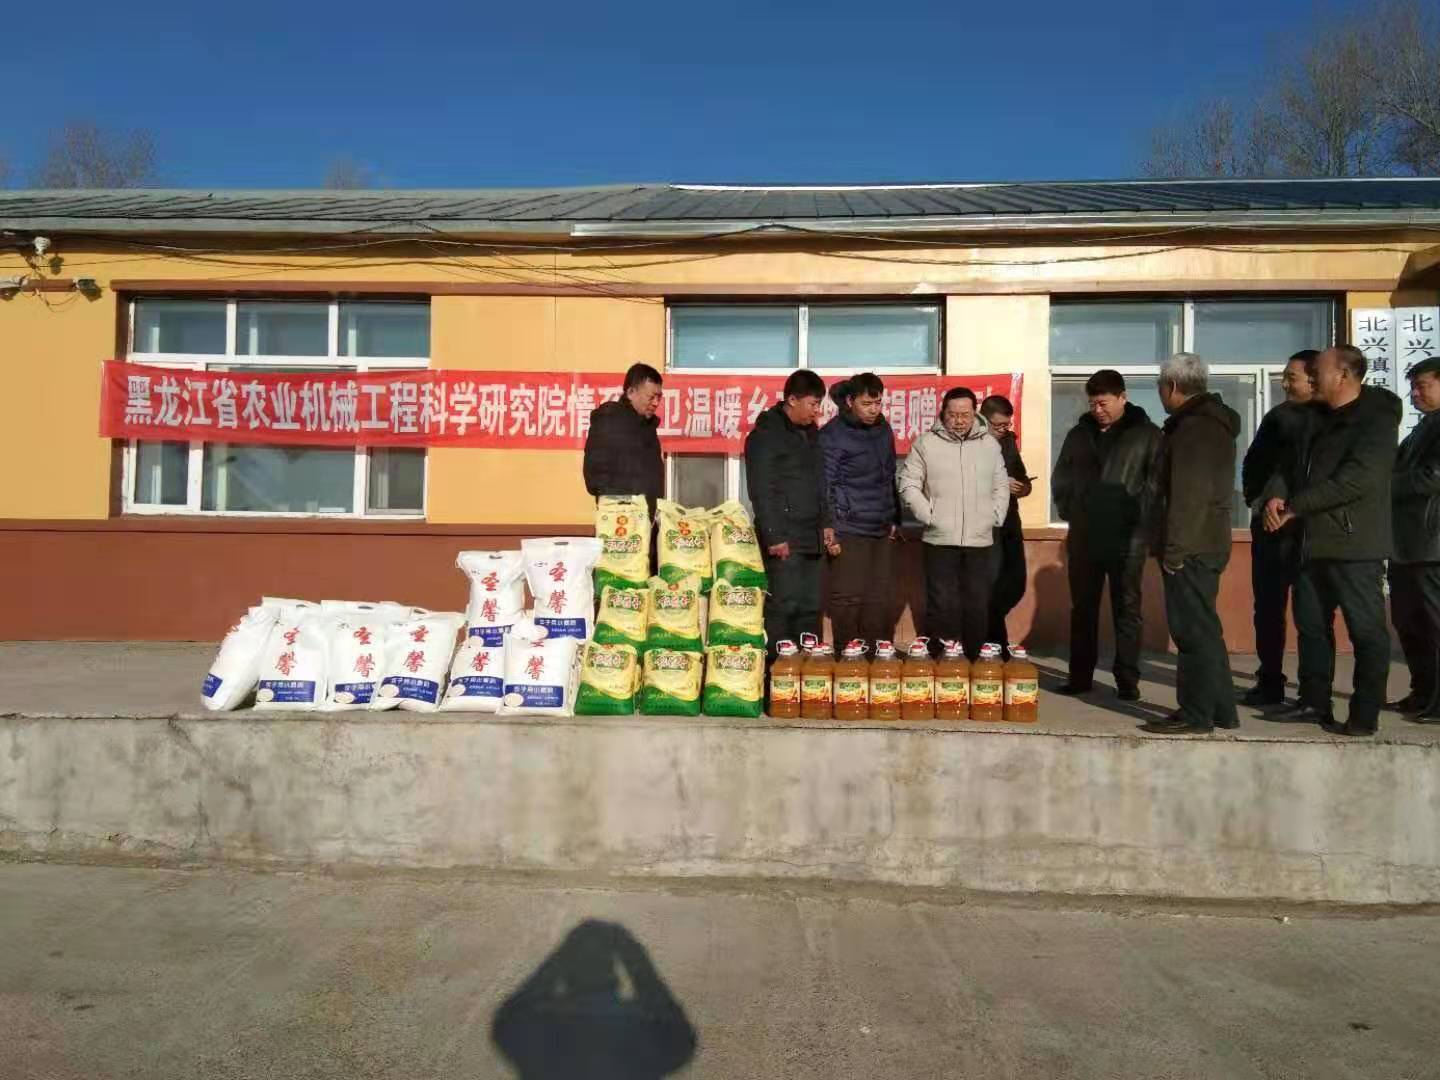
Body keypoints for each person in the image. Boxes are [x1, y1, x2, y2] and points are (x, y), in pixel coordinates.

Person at [1263, 345, 1403, 736]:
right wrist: (1276, 494)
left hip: (1353, 543)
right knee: (1311, 626)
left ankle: (1364, 714)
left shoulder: (1375, 420)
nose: (1311, 377)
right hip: (1310, 542)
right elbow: (1288, 467)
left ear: (1344, 374)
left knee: (1366, 631)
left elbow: (1357, 481)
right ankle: (1313, 702)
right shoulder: (1314, 417)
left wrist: (1295, 507)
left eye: (1317, 371)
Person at [1144, 354, 1241, 735]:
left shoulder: (1194, 428)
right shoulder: (1210, 423)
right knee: (1205, 629)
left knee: (1191, 632)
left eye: (1160, 387)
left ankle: (1196, 714)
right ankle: (1221, 710)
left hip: (1192, 546)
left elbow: (1188, 494)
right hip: (1205, 540)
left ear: (1171, 387)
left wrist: (1175, 550)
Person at [1051, 369, 1162, 700]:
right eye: (1092, 404)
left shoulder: (1146, 435)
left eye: (1103, 403)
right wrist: (1071, 511)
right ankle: (1080, 677)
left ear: (1123, 397)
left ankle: (1127, 680)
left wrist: (1140, 521)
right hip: (1085, 536)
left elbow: (1156, 485)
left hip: (1127, 538)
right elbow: (1061, 477)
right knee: (1082, 609)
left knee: (1127, 609)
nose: (1097, 410)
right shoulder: (1079, 434)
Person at [1239, 350, 1324, 707]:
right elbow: (1253, 463)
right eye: (1285, 376)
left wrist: (1293, 508)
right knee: (1268, 609)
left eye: (1292, 377)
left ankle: (1313, 692)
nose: (1285, 383)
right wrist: (1257, 502)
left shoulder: (1331, 419)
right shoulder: (1278, 416)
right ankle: (1270, 680)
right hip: (1269, 527)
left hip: (1308, 530)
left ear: (1315, 378)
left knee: (1311, 613)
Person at [899, 387, 1009, 660]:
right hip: (939, 538)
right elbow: (908, 483)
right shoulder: (926, 443)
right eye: (953, 414)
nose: (959, 420)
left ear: (975, 414)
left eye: (965, 415)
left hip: (980, 539)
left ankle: (973, 661)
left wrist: (995, 515)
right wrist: (929, 515)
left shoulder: (989, 445)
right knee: (941, 603)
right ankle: (942, 660)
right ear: (943, 413)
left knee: (977, 604)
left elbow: (1001, 485)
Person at [745, 369, 834, 652]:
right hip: (784, 536)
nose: (817, 411)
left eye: (819, 404)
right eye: (813, 404)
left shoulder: (811, 433)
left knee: (811, 605)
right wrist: (774, 535)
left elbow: (820, 482)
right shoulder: (766, 434)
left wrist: (826, 522)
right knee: (784, 604)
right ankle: (778, 668)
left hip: (812, 534)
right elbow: (761, 488)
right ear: (792, 400)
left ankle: (807, 669)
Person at [821, 372, 901, 648]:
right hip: (848, 527)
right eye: (867, 404)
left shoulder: (883, 430)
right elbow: (825, 485)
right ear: (849, 401)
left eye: (878, 403)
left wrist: (894, 517)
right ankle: (848, 656)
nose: (873, 410)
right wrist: (830, 527)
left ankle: (876, 657)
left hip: (881, 527)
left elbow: (889, 475)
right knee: (847, 597)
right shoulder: (833, 435)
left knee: (879, 596)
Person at [1388, 356, 1440, 722]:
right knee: (1410, 625)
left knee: (1434, 626)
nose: (1415, 394)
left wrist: (1381, 486)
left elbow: (1431, 477)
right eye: (1413, 387)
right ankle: (1423, 692)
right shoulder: (1423, 428)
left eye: (1423, 386)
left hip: (1432, 544)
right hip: (1406, 544)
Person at [979, 395, 1032, 655]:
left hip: (1010, 520)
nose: (1002, 430)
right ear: (982, 420)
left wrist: (1022, 487)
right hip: (984, 523)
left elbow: (1023, 477)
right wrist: (1000, 483)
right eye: (997, 425)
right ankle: (993, 645)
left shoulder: (1008, 442)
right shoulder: (970, 443)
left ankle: (989, 640)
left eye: (1006, 425)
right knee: (990, 584)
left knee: (1016, 583)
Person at [582, 363, 664, 512]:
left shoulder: (648, 428)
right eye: (651, 397)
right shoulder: (609, 420)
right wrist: (621, 506)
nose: (656, 403)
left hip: (648, 518)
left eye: (659, 397)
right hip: (621, 519)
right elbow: (596, 475)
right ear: (631, 392)